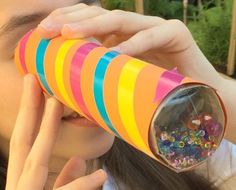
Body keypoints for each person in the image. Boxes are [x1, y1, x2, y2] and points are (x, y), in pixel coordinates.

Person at [0, 0, 235, 189]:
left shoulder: (167, 135)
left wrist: (222, 96)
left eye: (86, 17)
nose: (89, 67)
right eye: (36, 49)